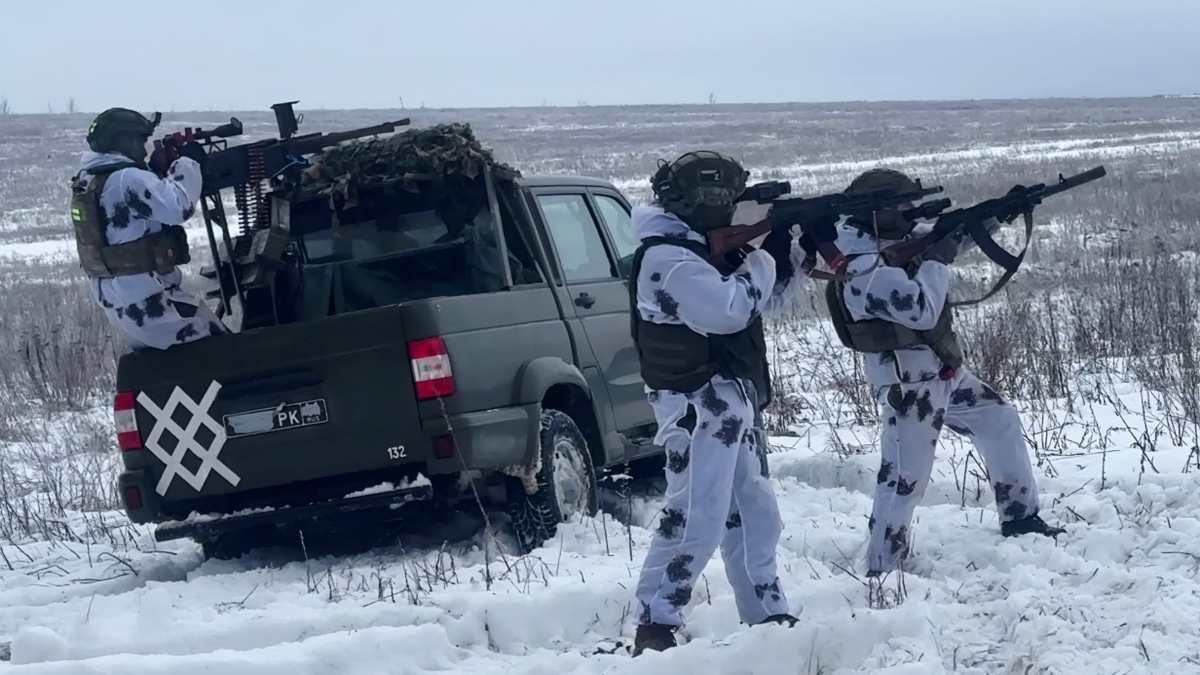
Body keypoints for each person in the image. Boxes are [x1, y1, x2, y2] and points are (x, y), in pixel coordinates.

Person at [627, 150, 836, 656]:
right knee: (696, 515)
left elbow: (767, 299)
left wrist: (794, 250)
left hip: (731, 402)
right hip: (695, 408)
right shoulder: (666, 258)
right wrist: (764, 255)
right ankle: (655, 623)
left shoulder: (703, 251)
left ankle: (765, 613)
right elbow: (729, 310)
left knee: (756, 513)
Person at [822, 167, 1065, 579]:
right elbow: (921, 309)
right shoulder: (861, 267)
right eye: (903, 206)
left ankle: (1021, 517)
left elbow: (947, 236)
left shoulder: (893, 241)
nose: (911, 213)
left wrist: (999, 212)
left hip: (940, 369)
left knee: (998, 420)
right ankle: (883, 567)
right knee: (904, 476)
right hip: (908, 384)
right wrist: (937, 260)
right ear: (878, 212)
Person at [69, 107, 226, 350]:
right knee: (222, 354)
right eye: (140, 141)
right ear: (124, 141)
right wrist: (186, 163)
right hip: (151, 305)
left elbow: (131, 211)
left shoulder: (91, 178)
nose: (143, 150)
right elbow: (178, 208)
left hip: (124, 305)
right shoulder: (127, 178)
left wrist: (153, 172)